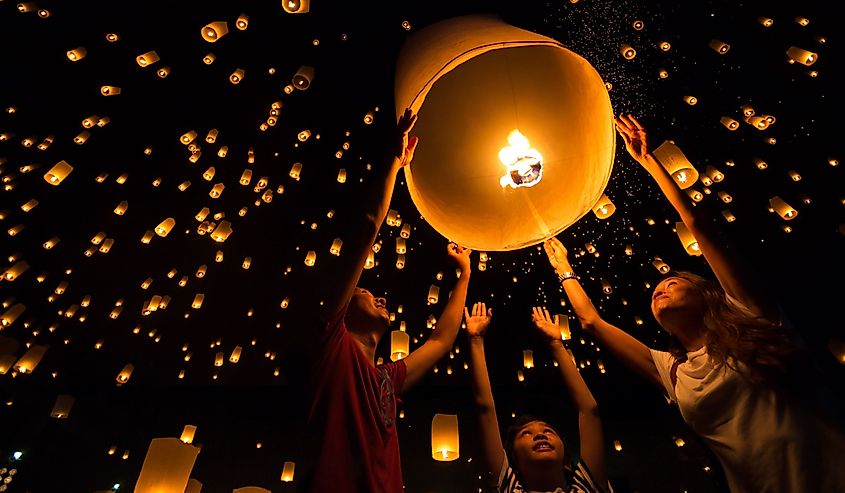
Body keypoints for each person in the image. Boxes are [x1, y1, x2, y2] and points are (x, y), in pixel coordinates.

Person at [540, 113, 845, 493]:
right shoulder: (671, 371)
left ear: (708, 293)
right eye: (656, 291)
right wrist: (564, 267)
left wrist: (649, 162)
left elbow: (699, 226)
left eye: (671, 281)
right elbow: (590, 322)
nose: (658, 290)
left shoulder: (756, 317)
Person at [294, 108, 474, 493]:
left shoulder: (386, 379)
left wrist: (465, 276)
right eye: (364, 291)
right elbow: (366, 228)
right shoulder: (331, 344)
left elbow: (441, 341)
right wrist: (393, 164)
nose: (378, 295)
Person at [465, 302, 612, 492]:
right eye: (526, 433)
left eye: (549, 431)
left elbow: (589, 410)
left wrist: (557, 344)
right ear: (513, 463)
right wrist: (476, 340)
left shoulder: (587, 488)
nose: (540, 435)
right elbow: (486, 410)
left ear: (567, 461)